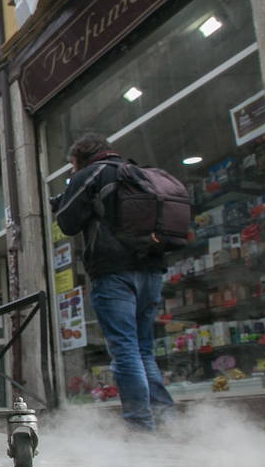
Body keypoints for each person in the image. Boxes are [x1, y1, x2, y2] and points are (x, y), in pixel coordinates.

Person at [54, 134, 176, 432]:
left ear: (80, 158)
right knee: (143, 349)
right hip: (151, 270)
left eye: (71, 164)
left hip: (113, 272)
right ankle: (167, 422)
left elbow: (68, 223)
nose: (71, 170)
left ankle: (139, 425)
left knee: (125, 349)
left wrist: (69, 191)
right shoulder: (136, 172)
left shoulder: (91, 173)